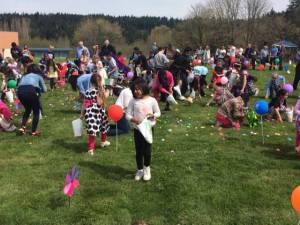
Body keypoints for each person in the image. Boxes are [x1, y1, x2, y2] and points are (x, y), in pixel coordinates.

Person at [126, 79, 161, 181]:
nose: (136, 91)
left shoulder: (152, 100)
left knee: (147, 151)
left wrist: (153, 115)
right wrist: (132, 119)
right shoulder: (133, 101)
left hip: (148, 129)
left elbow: (158, 113)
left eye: (138, 89)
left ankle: (147, 169)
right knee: (139, 151)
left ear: (144, 89)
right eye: (134, 89)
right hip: (137, 130)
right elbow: (127, 114)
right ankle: (140, 169)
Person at [81, 73, 110, 155]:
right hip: (98, 112)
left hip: (90, 113)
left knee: (92, 130)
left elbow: (85, 103)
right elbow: (100, 102)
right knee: (103, 126)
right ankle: (102, 142)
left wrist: (81, 114)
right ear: (100, 81)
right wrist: (107, 92)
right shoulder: (99, 90)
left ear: (91, 81)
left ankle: (92, 148)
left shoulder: (88, 91)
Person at [17, 64, 47, 136]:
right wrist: (39, 89)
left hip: (20, 92)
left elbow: (19, 85)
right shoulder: (38, 76)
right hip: (31, 91)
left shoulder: (24, 76)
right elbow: (45, 90)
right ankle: (33, 131)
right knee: (36, 111)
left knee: (27, 110)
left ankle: (22, 127)